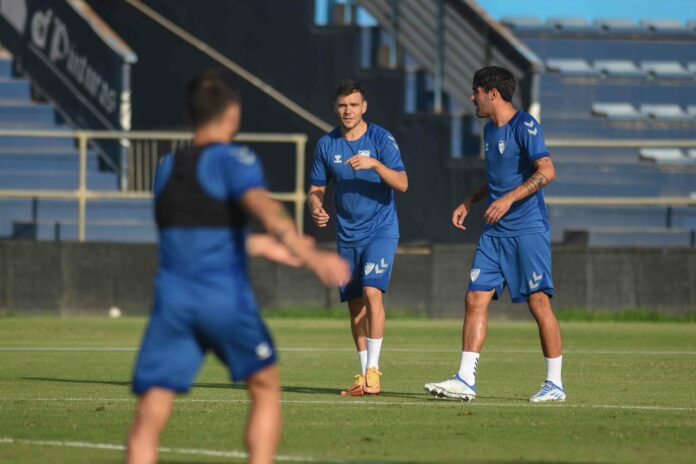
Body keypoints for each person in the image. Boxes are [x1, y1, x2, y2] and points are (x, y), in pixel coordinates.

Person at [126, 69, 350, 464]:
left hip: (173, 301)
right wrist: (309, 252)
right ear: (232, 113)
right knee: (265, 386)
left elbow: (190, 233)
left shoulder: (165, 168)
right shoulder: (234, 159)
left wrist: (256, 244)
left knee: (151, 410)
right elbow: (266, 207)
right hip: (222, 298)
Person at [424, 66, 565, 403]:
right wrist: (470, 200)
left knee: (538, 302)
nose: (472, 98)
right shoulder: (490, 131)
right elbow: (500, 180)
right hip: (493, 232)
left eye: (476, 92)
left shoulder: (525, 126)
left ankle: (554, 384)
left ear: (492, 93)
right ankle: (465, 379)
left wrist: (507, 200)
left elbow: (547, 171)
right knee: (475, 297)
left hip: (527, 230)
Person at [307, 80, 408, 396]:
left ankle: (374, 372)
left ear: (364, 107)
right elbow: (316, 187)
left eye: (354, 104)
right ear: (335, 108)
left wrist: (375, 164)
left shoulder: (381, 139)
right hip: (346, 234)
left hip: (380, 230)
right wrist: (316, 205)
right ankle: (363, 374)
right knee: (355, 305)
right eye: (342, 105)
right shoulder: (327, 144)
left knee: (372, 292)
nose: (348, 111)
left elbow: (403, 183)